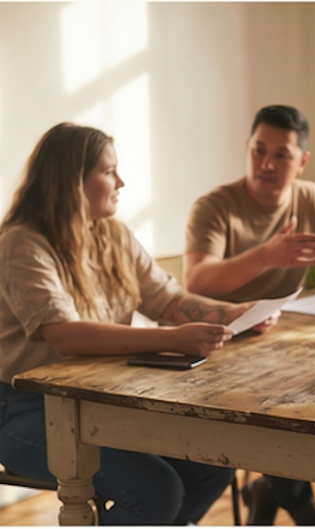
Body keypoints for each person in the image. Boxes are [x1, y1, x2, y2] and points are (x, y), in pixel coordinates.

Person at [0, 123, 277, 525]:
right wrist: (173, 339)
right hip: (25, 411)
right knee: (156, 492)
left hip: (104, 401)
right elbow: (63, 334)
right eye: (109, 171)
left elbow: (170, 300)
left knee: (215, 459)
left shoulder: (114, 235)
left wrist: (238, 313)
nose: (121, 181)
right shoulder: (22, 243)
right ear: (72, 181)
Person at [185, 105, 315, 525]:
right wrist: (265, 256)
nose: (267, 164)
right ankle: (304, 507)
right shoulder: (215, 207)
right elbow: (196, 280)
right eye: (258, 151)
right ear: (247, 148)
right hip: (221, 354)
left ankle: (272, 493)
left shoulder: (310, 197)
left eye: (281, 155)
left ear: (302, 161)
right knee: (284, 408)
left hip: (285, 349)